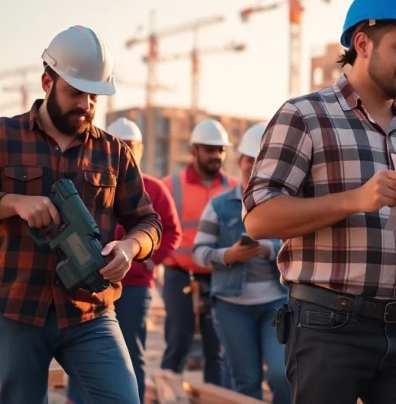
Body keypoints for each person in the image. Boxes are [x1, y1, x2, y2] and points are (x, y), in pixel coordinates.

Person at [243, 0, 396, 404]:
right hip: (327, 327)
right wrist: (356, 199)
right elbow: (259, 217)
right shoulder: (304, 116)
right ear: (363, 43)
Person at [0, 25, 163, 404]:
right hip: (15, 309)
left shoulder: (113, 152)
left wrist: (130, 247)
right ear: (46, 82)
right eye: (76, 92)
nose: (86, 104)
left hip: (90, 313)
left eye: (94, 96)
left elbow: (149, 221)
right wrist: (11, 203)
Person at [67, 117, 182, 404]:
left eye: (131, 145)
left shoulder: (154, 189)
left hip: (134, 287)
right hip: (92, 284)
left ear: (140, 149)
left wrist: (149, 262)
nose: (126, 150)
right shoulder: (89, 183)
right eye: (121, 144)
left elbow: (170, 231)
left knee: (131, 353)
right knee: (83, 353)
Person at [193, 123, 290, 404]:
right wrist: (227, 256)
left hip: (276, 303)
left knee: (280, 375)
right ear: (240, 162)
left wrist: (267, 250)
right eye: (250, 160)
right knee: (246, 382)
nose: (255, 167)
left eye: (262, 162)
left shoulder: (284, 205)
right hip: (231, 307)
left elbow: (297, 245)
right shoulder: (219, 206)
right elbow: (199, 251)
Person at [159, 118, 234, 387]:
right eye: (209, 149)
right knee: (177, 343)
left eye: (220, 150)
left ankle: (216, 396)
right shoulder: (170, 186)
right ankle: (167, 393)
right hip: (180, 275)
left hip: (219, 276)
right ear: (194, 151)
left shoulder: (235, 188)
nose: (216, 155)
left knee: (217, 349)